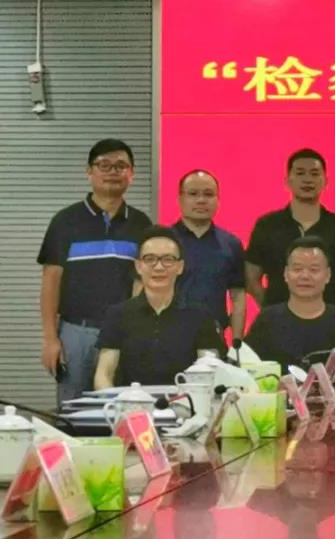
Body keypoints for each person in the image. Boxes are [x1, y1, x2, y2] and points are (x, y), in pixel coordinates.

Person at [38, 139, 152, 403]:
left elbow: (141, 283)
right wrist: (50, 339)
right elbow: (51, 282)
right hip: (76, 333)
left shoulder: (141, 223)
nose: (113, 171)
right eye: (104, 165)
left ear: (131, 174)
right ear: (89, 171)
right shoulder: (65, 221)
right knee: (73, 410)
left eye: (120, 166)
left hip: (123, 332)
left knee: (123, 406)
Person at [94, 226, 223, 389]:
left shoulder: (200, 315)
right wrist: (115, 403)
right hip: (130, 401)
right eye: (150, 259)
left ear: (180, 267)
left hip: (184, 401)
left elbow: (211, 374)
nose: (159, 267)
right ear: (138, 266)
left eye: (168, 259)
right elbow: (104, 375)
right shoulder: (118, 314)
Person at [245, 148, 335, 309]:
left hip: (327, 319)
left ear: (326, 181)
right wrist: (271, 311)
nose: (307, 180)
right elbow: (251, 277)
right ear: (287, 181)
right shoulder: (267, 225)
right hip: (278, 319)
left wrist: (333, 312)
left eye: (314, 174)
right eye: (300, 173)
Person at [243, 236, 335, 369]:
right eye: (297, 269)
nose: (305, 276)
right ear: (286, 274)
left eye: (314, 270)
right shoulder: (267, 320)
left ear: (328, 275)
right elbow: (248, 368)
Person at [172, 169, 246, 342]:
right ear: (180, 199)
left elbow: (237, 296)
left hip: (214, 336)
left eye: (208, 194)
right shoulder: (164, 241)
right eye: (193, 194)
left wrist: (237, 342)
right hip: (169, 335)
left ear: (218, 200)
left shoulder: (231, 244)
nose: (201, 200)